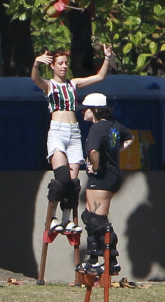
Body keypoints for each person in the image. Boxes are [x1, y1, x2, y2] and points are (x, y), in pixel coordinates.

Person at [32, 43, 114, 233]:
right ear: (52, 66)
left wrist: (107, 58)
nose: (64, 66)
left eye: (66, 63)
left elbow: (100, 77)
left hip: (74, 132)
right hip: (58, 131)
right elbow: (35, 79)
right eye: (60, 63)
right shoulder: (49, 85)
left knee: (74, 181)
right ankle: (51, 217)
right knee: (62, 177)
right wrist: (36, 64)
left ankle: (66, 220)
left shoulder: (72, 84)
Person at [78, 92, 131, 279]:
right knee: (89, 216)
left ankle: (110, 260)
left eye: (86, 108)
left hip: (102, 177)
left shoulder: (97, 128)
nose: (83, 112)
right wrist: (115, 153)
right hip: (113, 175)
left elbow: (93, 150)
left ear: (95, 110)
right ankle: (93, 258)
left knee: (98, 221)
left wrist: (96, 165)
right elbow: (130, 137)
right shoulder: (114, 126)